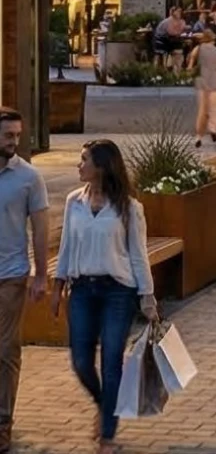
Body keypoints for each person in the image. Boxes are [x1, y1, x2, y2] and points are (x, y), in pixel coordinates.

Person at [52, 141, 156, 454]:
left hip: (117, 292)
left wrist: (147, 296)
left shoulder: (129, 207)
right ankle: (104, 403)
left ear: (102, 166)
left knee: (111, 363)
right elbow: (67, 247)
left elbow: (139, 256)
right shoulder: (75, 202)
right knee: (81, 361)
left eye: (84, 160)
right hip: (82, 289)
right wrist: (57, 288)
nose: (79, 165)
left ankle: (107, 435)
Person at [0, 109, 48, 454]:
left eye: (17, 135)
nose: (14, 141)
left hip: (11, 276)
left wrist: (42, 274)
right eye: (7, 136)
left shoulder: (29, 177)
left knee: (5, 351)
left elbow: (41, 228)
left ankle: (2, 423)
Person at [187, 28, 216, 148]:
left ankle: (199, 136)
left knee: (202, 110)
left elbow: (190, 65)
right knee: (214, 108)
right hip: (214, 81)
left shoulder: (198, 49)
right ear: (213, 39)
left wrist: (190, 71)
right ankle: (213, 129)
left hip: (201, 81)